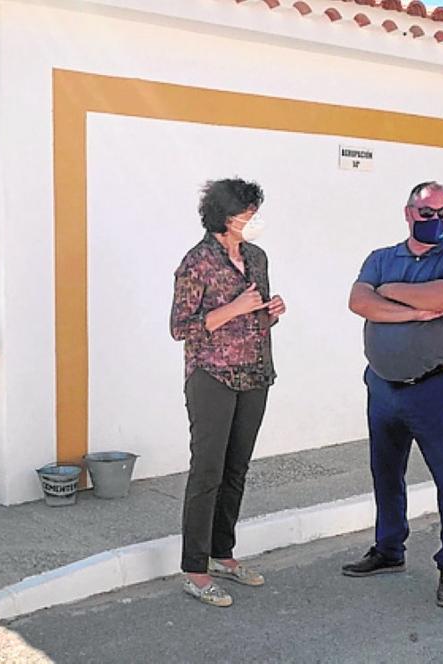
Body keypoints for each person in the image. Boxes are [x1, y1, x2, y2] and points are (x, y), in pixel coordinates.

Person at [341, 181, 443, 609]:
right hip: (383, 386)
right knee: (386, 473)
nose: (435, 221)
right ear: (408, 213)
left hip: (435, 388)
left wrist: (391, 290)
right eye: (426, 214)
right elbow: (358, 302)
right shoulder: (381, 257)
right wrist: (417, 310)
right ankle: (388, 549)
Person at [170, 178, 287, 607]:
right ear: (224, 215)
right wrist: (233, 308)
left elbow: (256, 316)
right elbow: (180, 328)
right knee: (207, 471)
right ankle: (195, 570)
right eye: (246, 213)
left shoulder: (256, 257)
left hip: (255, 374)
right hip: (212, 377)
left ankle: (223, 554)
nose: (252, 220)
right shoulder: (197, 262)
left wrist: (270, 312)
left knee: (236, 468)